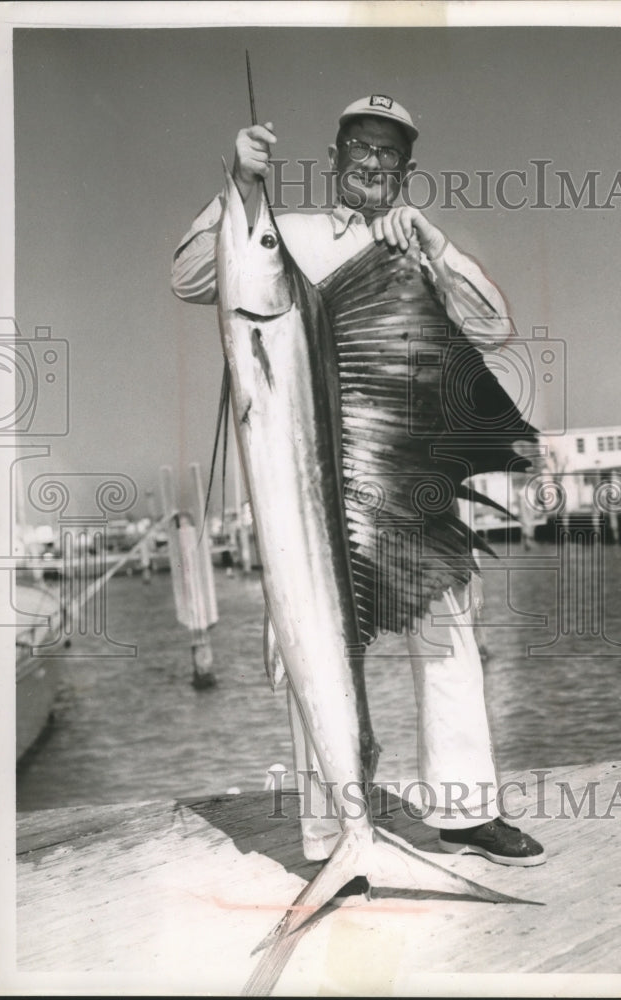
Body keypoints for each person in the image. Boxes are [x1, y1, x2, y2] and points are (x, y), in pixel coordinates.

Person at [171, 94, 545, 867]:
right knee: (308, 636)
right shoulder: (290, 234)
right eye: (361, 148)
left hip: (401, 481)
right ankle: (331, 830)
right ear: (336, 156)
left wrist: (436, 247)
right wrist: (239, 185)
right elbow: (190, 277)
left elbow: (492, 328)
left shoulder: (416, 244)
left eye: (390, 153)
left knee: (447, 630)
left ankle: (467, 813)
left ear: (407, 169)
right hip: (310, 481)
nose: (374, 163)